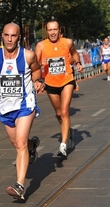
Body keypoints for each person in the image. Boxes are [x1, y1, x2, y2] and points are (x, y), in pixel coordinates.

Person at [0, 23, 44, 200]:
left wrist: (38, 81)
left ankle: (20, 186)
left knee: (20, 143)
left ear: (19, 37)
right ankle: (32, 146)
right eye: (6, 35)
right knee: (17, 143)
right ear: (2, 36)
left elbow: (37, 70)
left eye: (13, 36)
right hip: (6, 107)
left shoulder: (28, 55)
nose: (9, 39)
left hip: (25, 104)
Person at [35, 20, 83, 158]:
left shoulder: (67, 42)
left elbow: (74, 54)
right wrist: (40, 63)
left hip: (67, 80)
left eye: (55, 29)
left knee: (64, 111)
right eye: (50, 30)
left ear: (59, 30)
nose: (53, 32)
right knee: (58, 113)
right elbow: (34, 64)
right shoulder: (41, 45)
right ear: (46, 31)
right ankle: (68, 131)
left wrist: (78, 63)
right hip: (51, 83)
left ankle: (63, 145)